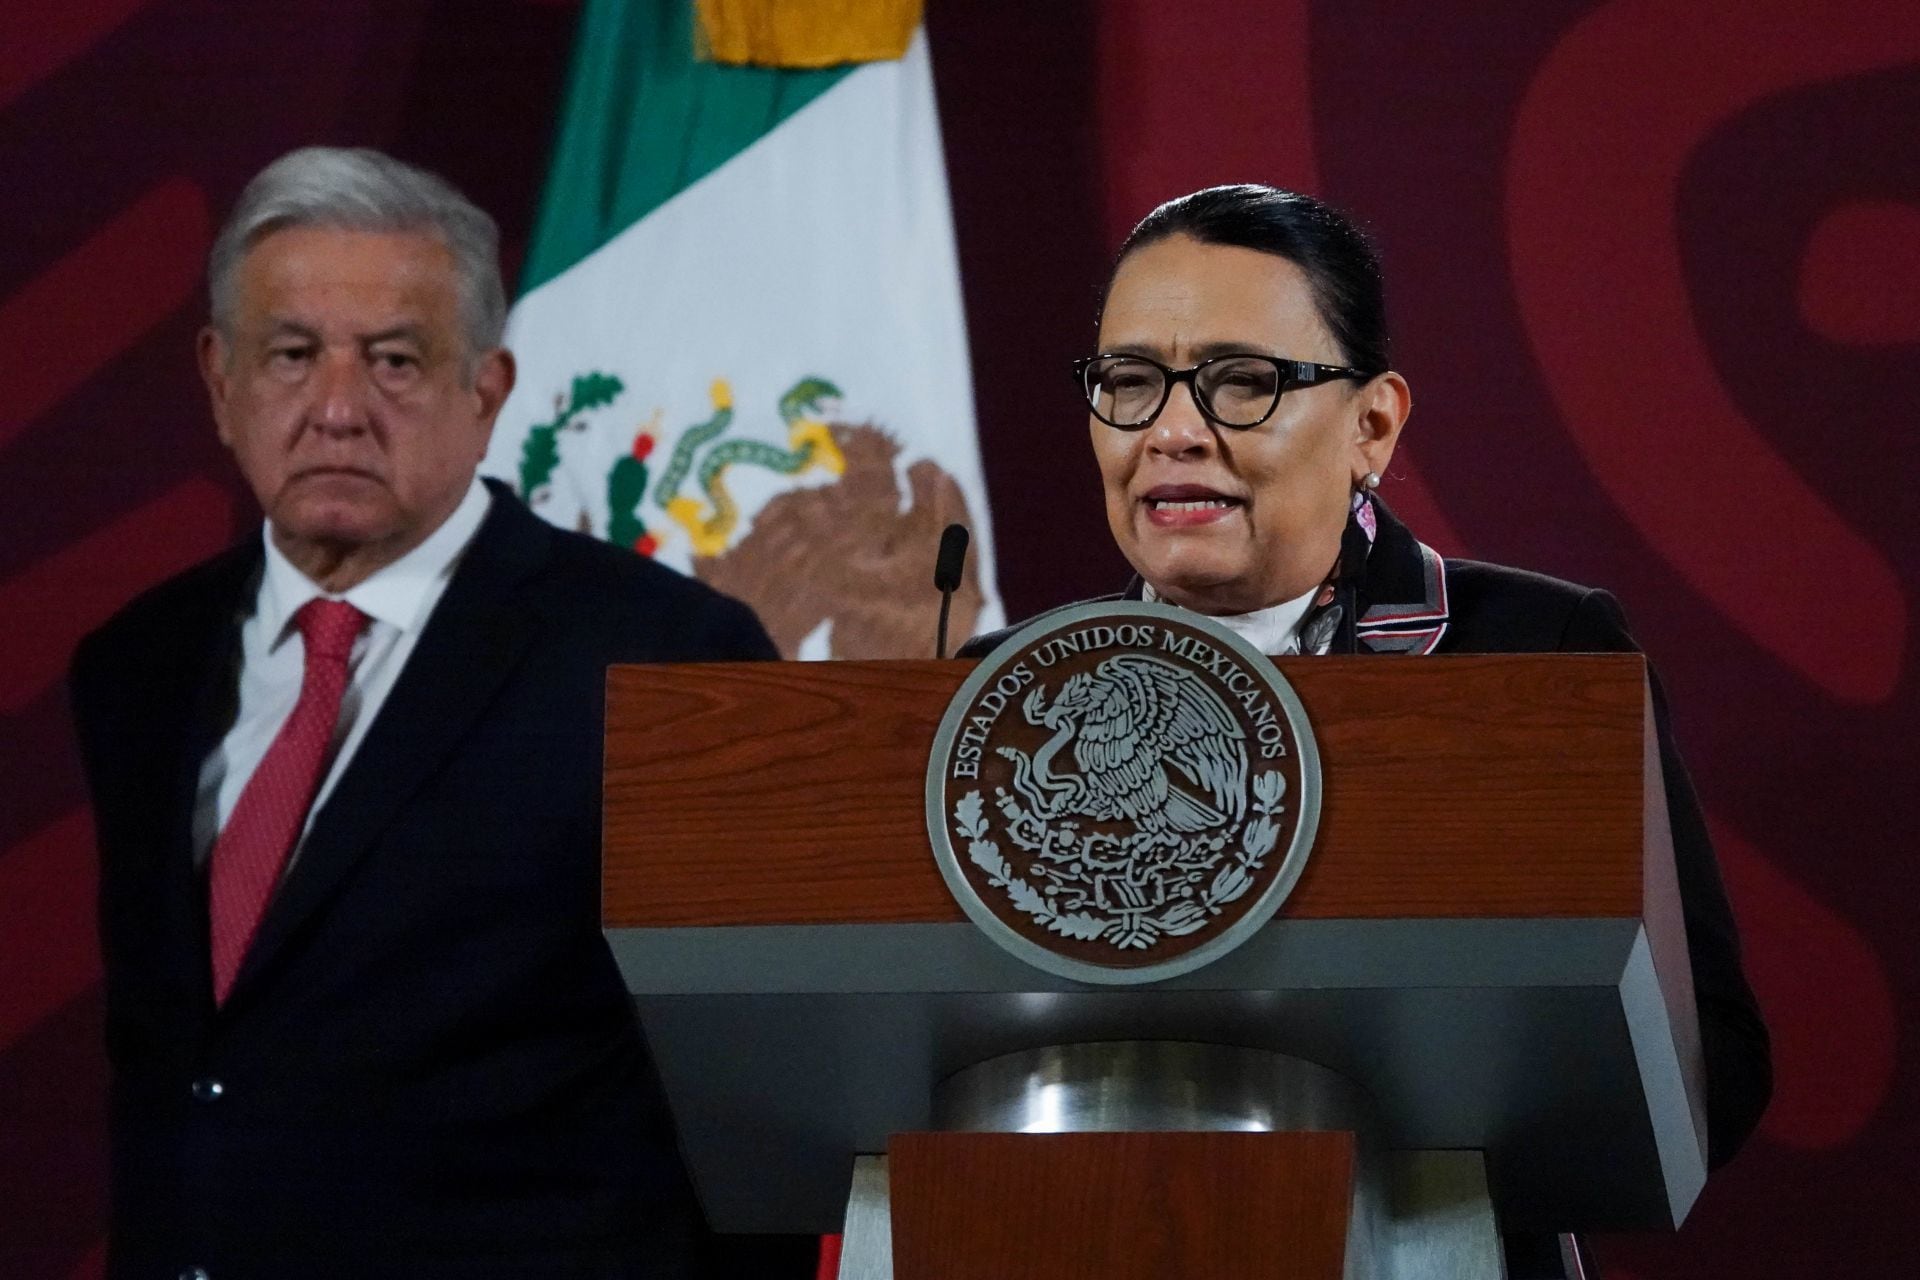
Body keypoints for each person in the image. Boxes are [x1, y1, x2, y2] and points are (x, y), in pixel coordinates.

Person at [960, 184, 1771, 1277]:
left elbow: (1705, 1062)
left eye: (1243, 381)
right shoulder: (998, 698)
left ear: (1372, 425)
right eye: (1130, 382)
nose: (1173, 431)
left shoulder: (1534, 654)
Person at [67, 148, 812, 1278]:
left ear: (489, 389)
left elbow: (758, 1120)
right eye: (292, 354)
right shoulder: (136, 667)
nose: (337, 409)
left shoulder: (666, 660)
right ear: (222, 382)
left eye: (396, 361)